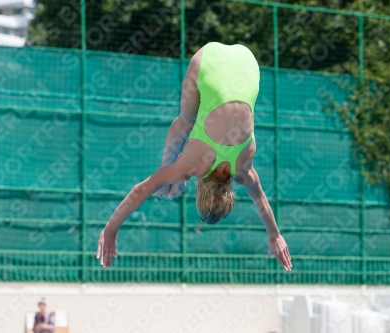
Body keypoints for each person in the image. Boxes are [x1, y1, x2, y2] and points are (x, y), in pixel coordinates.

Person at [97, 42, 292, 271]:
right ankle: (168, 171)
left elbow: (261, 201)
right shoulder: (193, 167)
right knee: (185, 123)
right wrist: (110, 230)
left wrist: (274, 234)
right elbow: (140, 190)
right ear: (199, 191)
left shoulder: (244, 169)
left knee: (183, 145)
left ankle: (170, 176)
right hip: (207, 60)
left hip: (247, 60)